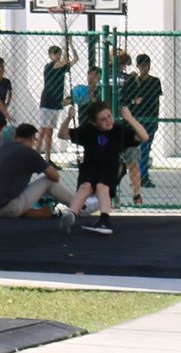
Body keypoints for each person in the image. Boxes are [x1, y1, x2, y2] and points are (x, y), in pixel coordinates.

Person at [58, 99, 147, 234]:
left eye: (109, 116)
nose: (108, 121)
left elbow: (144, 136)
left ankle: (104, 220)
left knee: (102, 187)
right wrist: (69, 118)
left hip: (110, 166)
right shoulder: (87, 130)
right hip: (90, 165)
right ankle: (71, 214)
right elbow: (62, 134)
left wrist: (130, 118)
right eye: (102, 119)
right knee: (85, 186)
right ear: (94, 122)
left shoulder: (119, 130)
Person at [0, 124, 70, 219]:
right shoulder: (30, 153)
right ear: (32, 138)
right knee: (48, 181)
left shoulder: (1, 148)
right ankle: (80, 207)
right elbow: (55, 177)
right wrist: (41, 162)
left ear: (16, 136)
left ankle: (29, 211)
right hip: (9, 208)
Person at [118, 53, 164, 205]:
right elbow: (126, 98)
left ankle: (143, 175)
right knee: (136, 149)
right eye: (142, 65)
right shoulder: (132, 81)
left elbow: (153, 98)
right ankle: (140, 176)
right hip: (136, 120)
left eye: (147, 65)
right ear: (137, 66)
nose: (144, 68)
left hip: (149, 118)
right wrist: (134, 97)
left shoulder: (154, 81)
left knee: (146, 148)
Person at [35, 42, 77, 154]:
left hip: (56, 102)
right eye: (55, 54)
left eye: (59, 54)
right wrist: (65, 43)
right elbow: (63, 62)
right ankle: (35, 154)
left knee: (50, 132)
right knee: (43, 130)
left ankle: (48, 158)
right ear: (50, 55)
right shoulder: (50, 66)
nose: (58, 56)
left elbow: (75, 59)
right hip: (48, 101)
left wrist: (71, 45)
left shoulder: (62, 68)